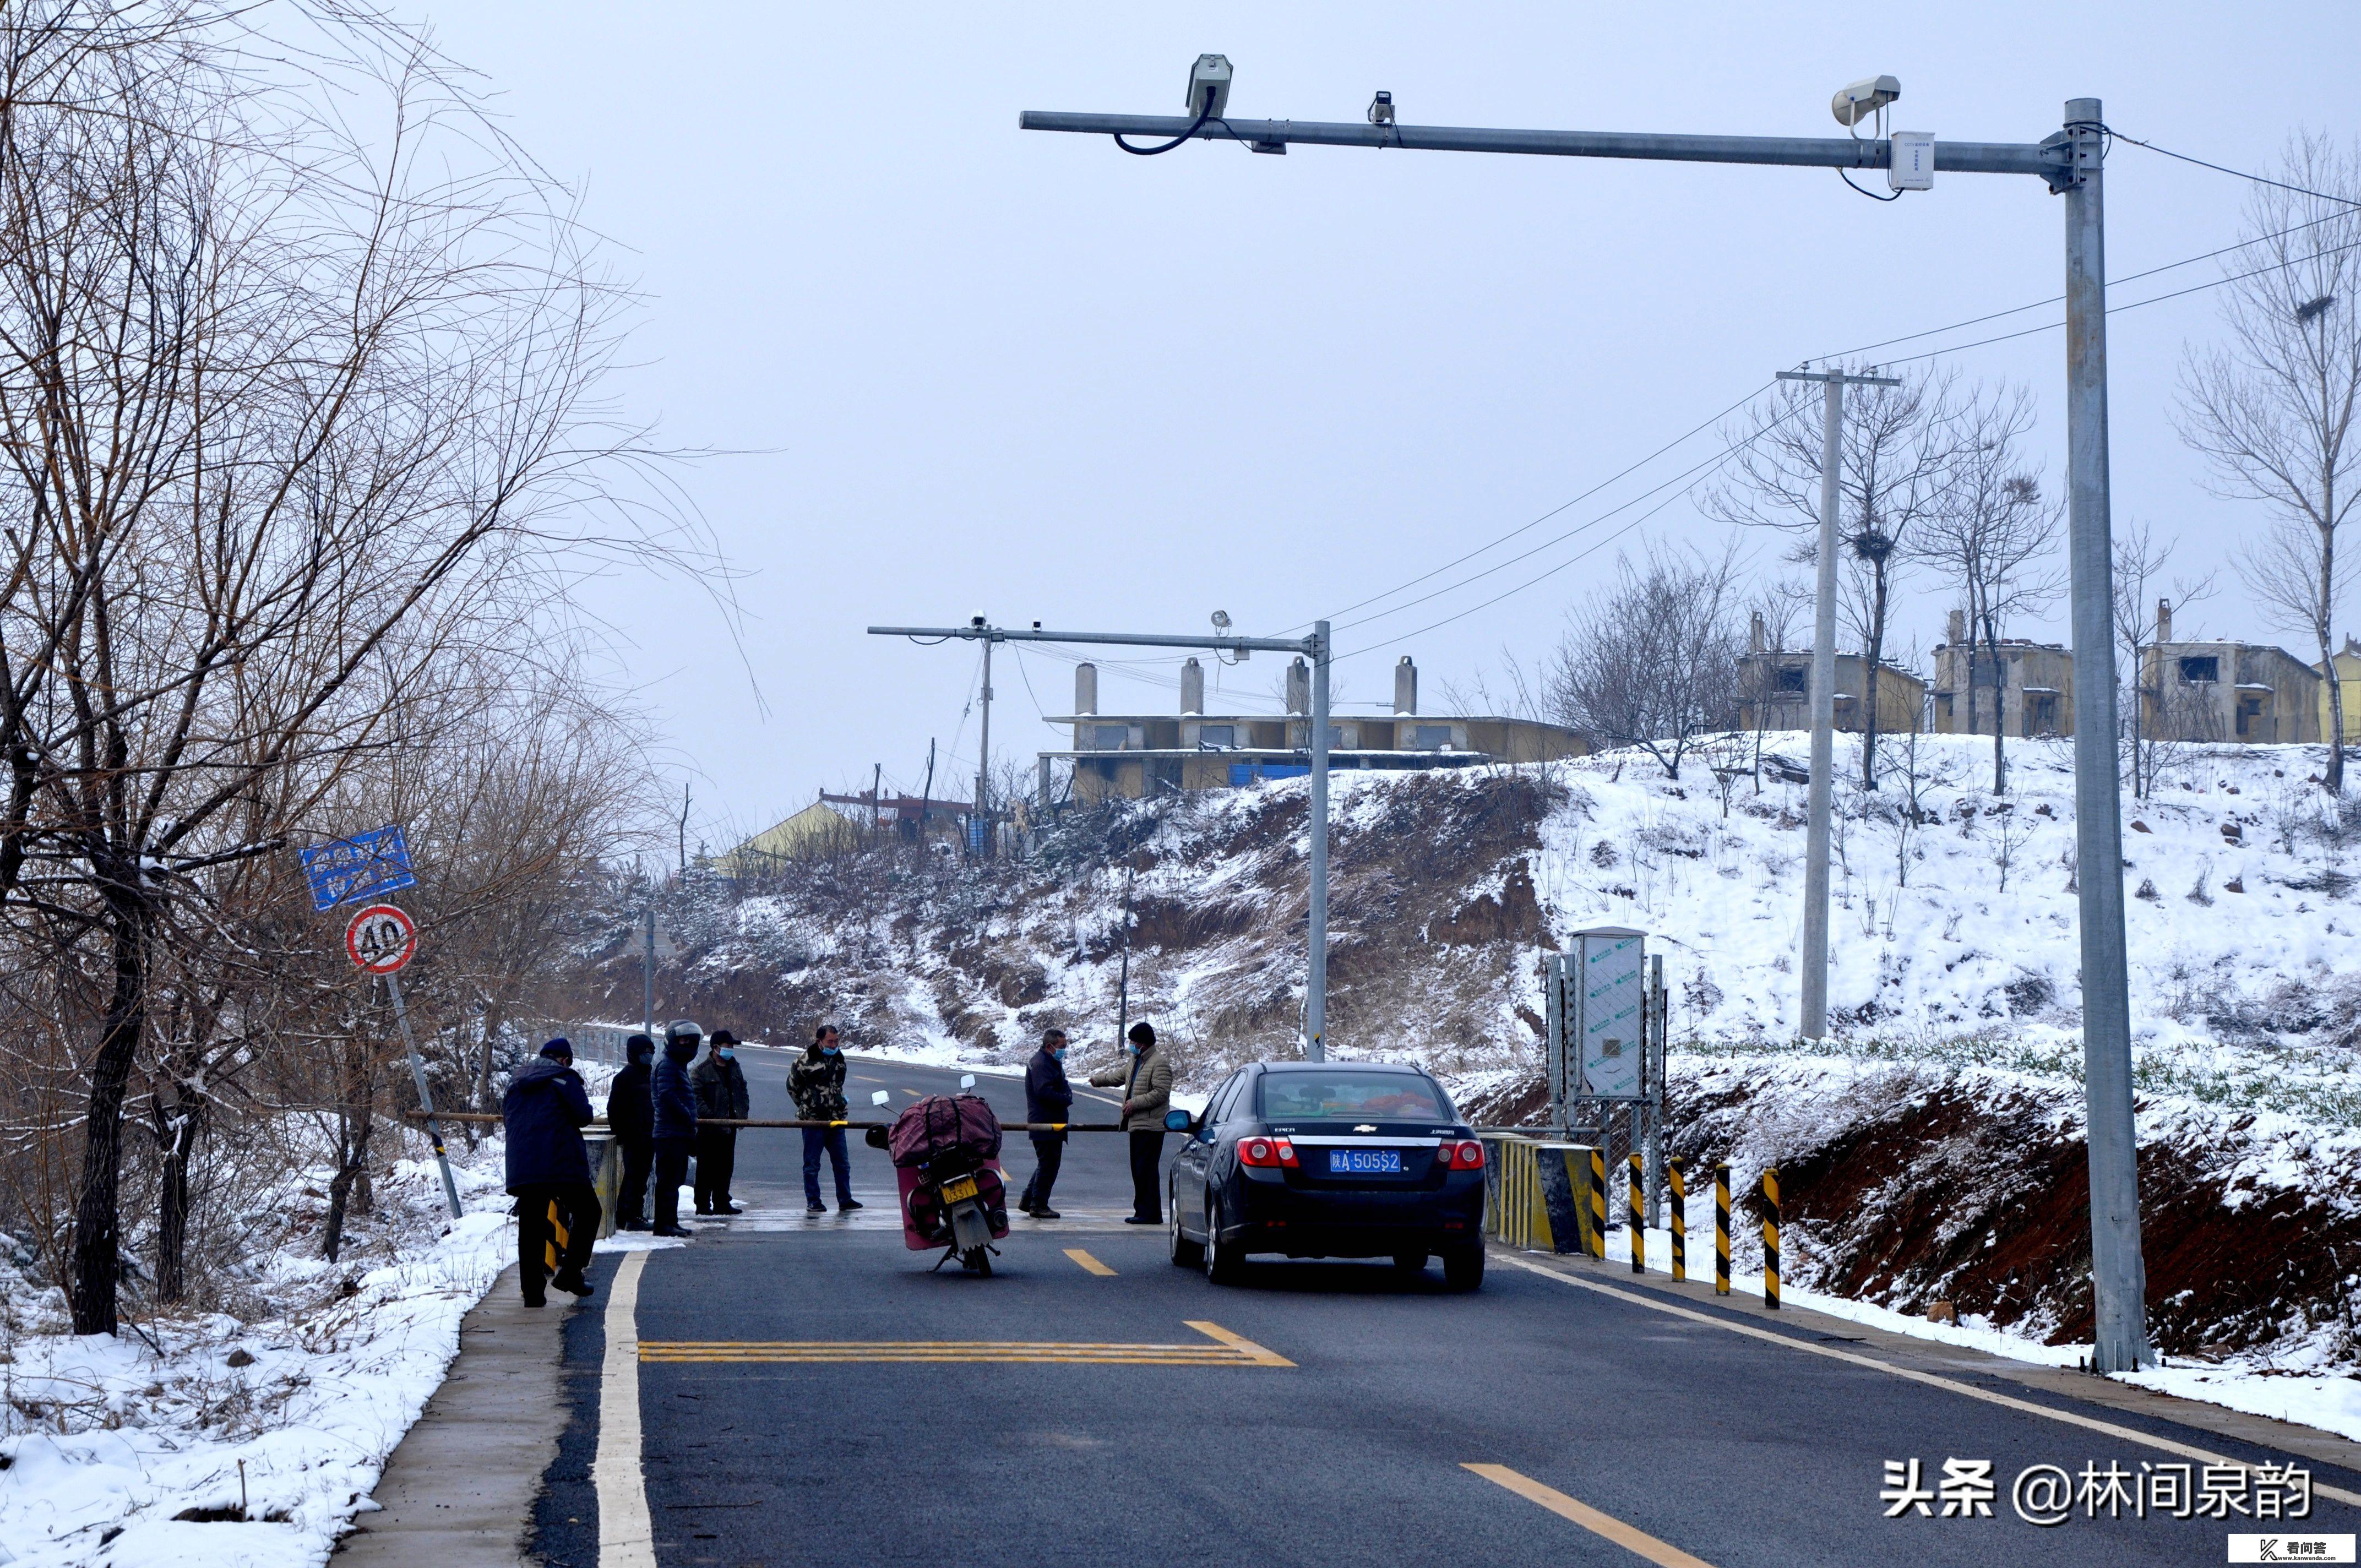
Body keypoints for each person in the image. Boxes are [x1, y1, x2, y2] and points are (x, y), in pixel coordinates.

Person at [504, 1038, 601, 1306]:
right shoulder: (564, 1078)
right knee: (589, 1212)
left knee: (531, 1226)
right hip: (560, 1162)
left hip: (524, 1163)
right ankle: (570, 1273)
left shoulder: (515, 1081)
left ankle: (533, 1295)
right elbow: (584, 1116)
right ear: (565, 1060)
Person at [1090, 1021, 1173, 1224]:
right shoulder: (1136, 1061)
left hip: (1151, 1126)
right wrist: (1098, 1080)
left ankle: (1151, 1213)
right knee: (1138, 1169)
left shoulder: (1158, 1063)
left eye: (1134, 1042)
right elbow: (1119, 1077)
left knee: (1147, 1169)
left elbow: (1161, 1093)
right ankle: (1141, 1210)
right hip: (1136, 1125)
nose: (1131, 1045)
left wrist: (1135, 1103)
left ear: (1143, 1043)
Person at [788, 1022, 863, 1215]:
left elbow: (839, 1085)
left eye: (837, 1041)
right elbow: (792, 1087)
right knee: (812, 1164)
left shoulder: (839, 1059)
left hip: (836, 1119)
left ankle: (845, 1199)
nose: (834, 1045)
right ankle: (813, 1201)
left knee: (842, 1163)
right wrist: (808, 1106)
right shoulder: (805, 1061)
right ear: (819, 1041)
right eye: (830, 1041)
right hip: (813, 1121)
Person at [690, 1029, 750, 1215]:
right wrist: (711, 1118)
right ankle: (702, 1205)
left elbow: (742, 1091)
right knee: (706, 1168)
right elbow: (696, 1099)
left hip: (729, 1128)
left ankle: (722, 1202)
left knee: (725, 1167)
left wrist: (742, 1114)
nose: (730, 1050)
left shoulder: (734, 1068)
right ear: (716, 1048)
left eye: (732, 1047)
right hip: (709, 1130)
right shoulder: (701, 1071)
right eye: (728, 1046)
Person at [650, 1020, 701, 1238]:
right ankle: (663, 1225)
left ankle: (671, 1221)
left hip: (677, 1132)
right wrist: (687, 1116)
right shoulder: (668, 1064)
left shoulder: (676, 1064)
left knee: (674, 1180)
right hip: (669, 1132)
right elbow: (667, 1095)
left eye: (690, 1041)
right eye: (682, 1041)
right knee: (668, 1181)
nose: (687, 1045)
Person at [1017, 1027, 1073, 1219]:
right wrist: (1064, 1098)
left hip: (1052, 1122)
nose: (1064, 1050)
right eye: (1061, 1047)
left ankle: (1029, 1199)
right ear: (1050, 1046)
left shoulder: (1051, 1062)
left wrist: (1066, 1094)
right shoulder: (1041, 1064)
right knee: (1048, 1164)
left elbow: (1064, 1085)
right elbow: (1044, 1092)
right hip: (1044, 1123)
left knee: (1047, 1163)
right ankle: (1038, 1204)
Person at [608, 1033, 656, 1230]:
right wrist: (623, 1134)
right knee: (634, 1178)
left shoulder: (650, 1075)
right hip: (634, 1137)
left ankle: (626, 1215)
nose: (649, 1055)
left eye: (651, 1051)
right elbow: (614, 1109)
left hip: (649, 1135)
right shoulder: (625, 1078)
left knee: (639, 1177)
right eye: (644, 1052)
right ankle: (632, 1216)